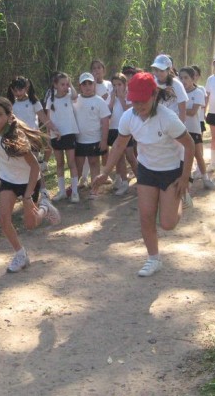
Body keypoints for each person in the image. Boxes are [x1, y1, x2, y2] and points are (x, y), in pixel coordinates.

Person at [93, 72, 194, 277]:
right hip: (146, 170)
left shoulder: (168, 118)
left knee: (168, 224)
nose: (138, 106)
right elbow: (119, 145)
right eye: (135, 101)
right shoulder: (128, 117)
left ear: (154, 96)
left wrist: (185, 177)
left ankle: (182, 198)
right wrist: (105, 172)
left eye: (143, 101)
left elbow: (190, 145)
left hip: (171, 171)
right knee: (146, 216)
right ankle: (153, 259)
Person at [0, 97, 61, 273]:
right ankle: (21, 254)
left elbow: (35, 167)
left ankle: (44, 208)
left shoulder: (18, 137)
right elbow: (3, 157)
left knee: (31, 224)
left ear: (8, 115)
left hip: (29, 181)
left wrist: (27, 196)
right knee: (3, 219)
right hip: (8, 180)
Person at [7, 76, 55, 195]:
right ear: (12, 90)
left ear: (26, 88)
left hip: (33, 139)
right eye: (15, 90)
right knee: (22, 166)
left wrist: (54, 129)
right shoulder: (11, 104)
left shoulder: (34, 102)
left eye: (20, 90)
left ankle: (43, 189)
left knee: (34, 165)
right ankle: (26, 191)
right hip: (18, 139)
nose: (18, 93)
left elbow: (44, 118)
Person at [74, 72, 111, 199]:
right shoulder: (75, 100)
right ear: (80, 86)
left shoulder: (99, 101)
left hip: (95, 139)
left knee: (94, 163)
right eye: (84, 84)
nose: (87, 86)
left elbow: (105, 122)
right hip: (79, 140)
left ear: (94, 84)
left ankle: (94, 189)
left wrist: (104, 140)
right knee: (78, 165)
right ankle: (73, 189)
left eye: (90, 83)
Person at [179, 66, 215, 191]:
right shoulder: (177, 93)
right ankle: (185, 180)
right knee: (180, 155)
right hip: (179, 129)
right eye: (181, 78)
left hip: (193, 129)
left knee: (198, 155)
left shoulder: (198, 92)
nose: (183, 81)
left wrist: (179, 110)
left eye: (186, 78)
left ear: (193, 78)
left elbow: (193, 112)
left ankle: (206, 179)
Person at [45, 71, 80, 203]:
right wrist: (50, 134)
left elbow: (75, 96)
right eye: (62, 84)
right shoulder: (50, 99)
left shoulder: (70, 95)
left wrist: (70, 84)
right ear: (55, 85)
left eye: (67, 84)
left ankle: (75, 192)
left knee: (71, 163)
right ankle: (62, 191)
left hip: (69, 133)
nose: (65, 87)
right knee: (59, 163)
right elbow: (48, 118)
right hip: (56, 135)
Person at [108, 72, 138, 195]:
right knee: (119, 157)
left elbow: (129, 111)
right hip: (113, 128)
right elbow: (107, 113)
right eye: (114, 85)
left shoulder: (129, 96)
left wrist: (121, 98)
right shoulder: (111, 96)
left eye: (119, 84)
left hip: (126, 130)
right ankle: (124, 182)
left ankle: (142, 180)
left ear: (125, 85)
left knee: (130, 156)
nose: (117, 87)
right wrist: (112, 100)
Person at [151, 53, 187, 122]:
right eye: (156, 70)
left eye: (161, 70)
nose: (158, 73)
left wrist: (181, 126)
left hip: (173, 122)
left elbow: (182, 110)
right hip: (157, 122)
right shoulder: (152, 83)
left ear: (168, 70)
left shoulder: (177, 85)